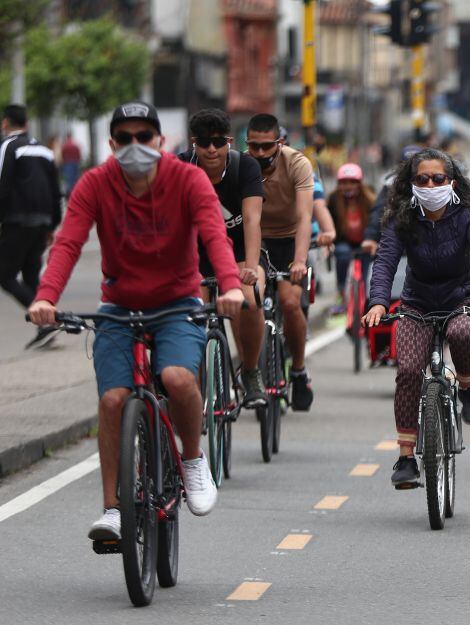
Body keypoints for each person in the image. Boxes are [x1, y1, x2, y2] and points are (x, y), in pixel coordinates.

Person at [27, 101, 244, 540]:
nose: (134, 146)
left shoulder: (188, 179)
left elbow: (213, 234)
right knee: (112, 401)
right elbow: (68, 242)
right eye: (123, 139)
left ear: (160, 141)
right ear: (111, 144)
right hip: (119, 308)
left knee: (179, 378)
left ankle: (192, 459)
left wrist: (231, 285)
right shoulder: (95, 183)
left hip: (177, 305)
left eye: (143, 137)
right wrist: (46, 298)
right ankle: (113, 509)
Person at [361, 148, 470, 489]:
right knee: (410, 370)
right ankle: (405, 456)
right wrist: (379, 303)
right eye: (421, 179)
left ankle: (468, 387)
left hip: (463, 296)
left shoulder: (468, 215)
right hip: (418, 302)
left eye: (438, 179)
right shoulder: (403, 218)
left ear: (452, 182)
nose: (430, 185)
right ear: (411, 184)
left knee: (461, 333)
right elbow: (384, 261)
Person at [178, 108, 267, 406]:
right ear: (194, 143)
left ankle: (251, 371)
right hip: (195, 254)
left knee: (250, 301)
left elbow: (253, 220)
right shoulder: (180, 168)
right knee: (187, 310)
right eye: (204, 143)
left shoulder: (246, 168)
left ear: (229, 141)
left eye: (218, 141)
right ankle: (189, 382)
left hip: (241, 251)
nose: (212, 149)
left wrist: (252, 267)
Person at [246, 113, 316, 410]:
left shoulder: (297, 163)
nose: (260, 153)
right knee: (252, 296)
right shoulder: (241, 165)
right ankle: (252, 369)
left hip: (290, 241)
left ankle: (298, 370)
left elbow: (304, 217)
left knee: (289, 302)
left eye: (266, 146)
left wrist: (300, 260)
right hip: (257, 240)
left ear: (280, 143)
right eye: (253, 146)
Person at [0, 104, 63, 349]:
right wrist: (52, 224)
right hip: (42, 223)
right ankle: (45, 324)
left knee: (4, 275)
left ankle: (47, 321)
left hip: (18, 221)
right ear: (26, 123)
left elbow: (3, 186)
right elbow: (56, 191)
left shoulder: (8, 146)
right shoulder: (45, 151)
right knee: (29, 275)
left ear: (6, 123)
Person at [328, 163, 378, 306]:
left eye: (352, 182)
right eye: (344, 183)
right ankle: (341, 290)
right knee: (342, 254)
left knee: (366, 273)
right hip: (344, 241)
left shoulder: (370, 200)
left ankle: (365, 299)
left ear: (359, 183)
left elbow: (378, 221)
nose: (348, 186)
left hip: (366, 241)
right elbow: (329, 223)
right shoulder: (333, 200)